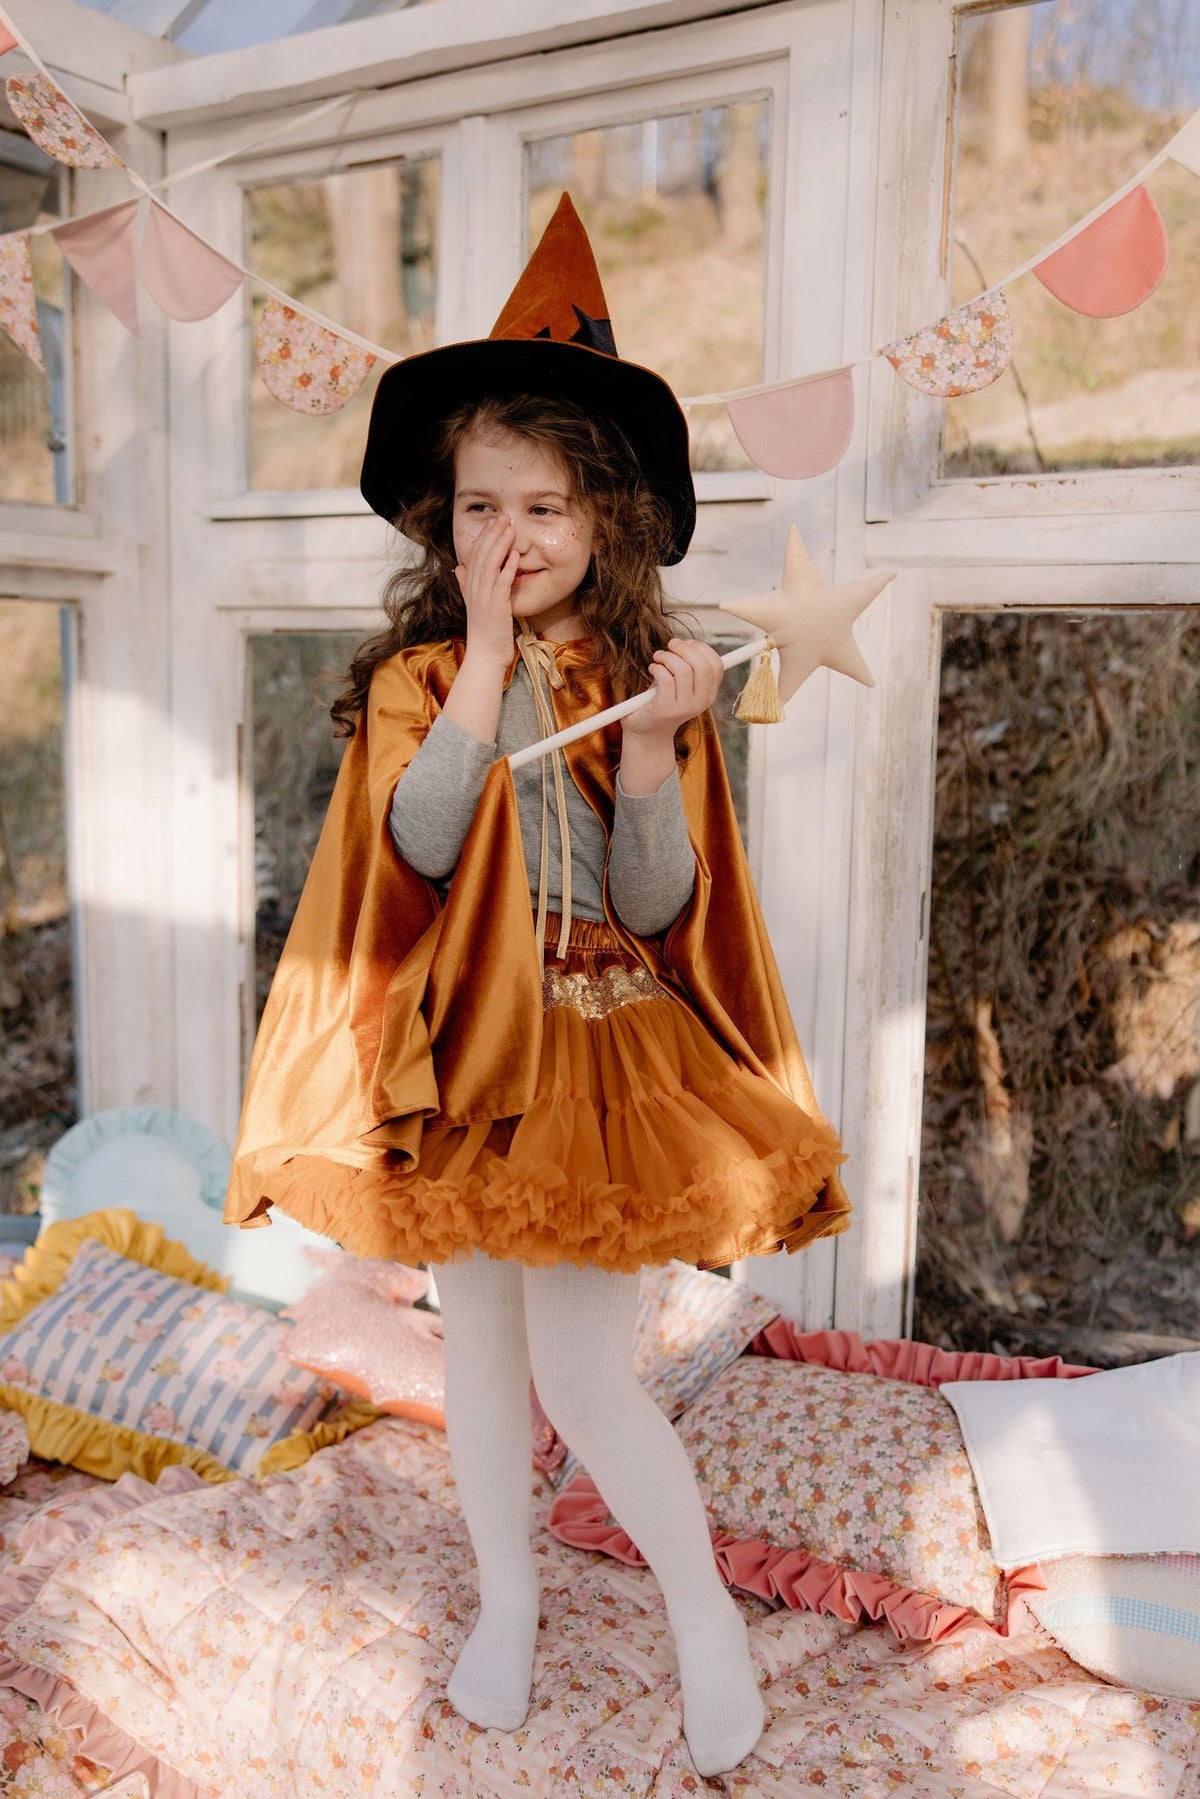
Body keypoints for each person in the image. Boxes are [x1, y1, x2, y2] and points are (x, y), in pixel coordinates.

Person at [226, 194, 849, 1779]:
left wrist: (649, 755)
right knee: (484, 1351)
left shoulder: (647, 687)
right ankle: (507, 1597)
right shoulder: (422, 684)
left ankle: (702, 1620)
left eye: (547, 506)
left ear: (608, 521)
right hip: (463, 1053)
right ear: (444, 527)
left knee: (582, 1365)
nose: (513, 534)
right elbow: (419, 848)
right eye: (480, 505)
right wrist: (491, 662)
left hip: (590, 1048)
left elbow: (657, 905)